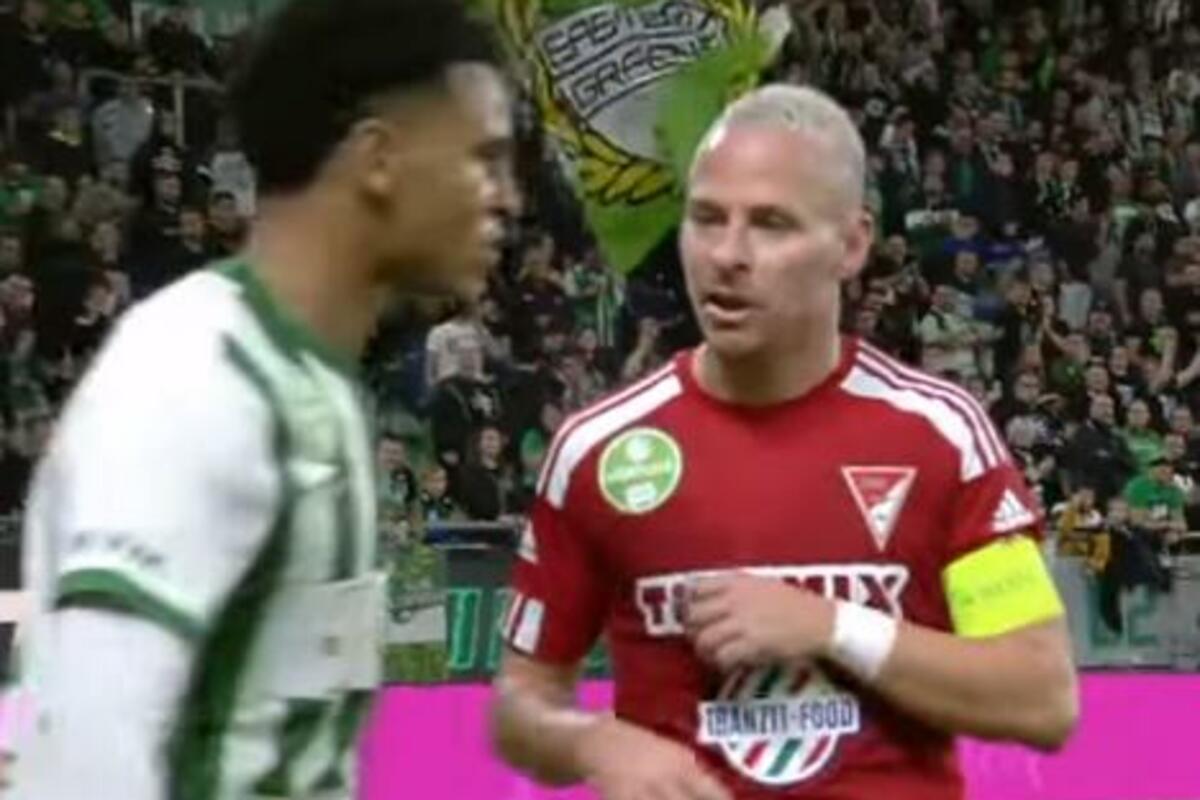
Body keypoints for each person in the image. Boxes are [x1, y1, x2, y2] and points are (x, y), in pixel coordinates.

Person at [490, 85, 1077, 800]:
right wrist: (593, 741)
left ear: (852, 244)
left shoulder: (940, 436)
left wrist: (833, 626)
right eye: (706, 218)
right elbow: (521, 704)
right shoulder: (599, 451)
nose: (727, 254)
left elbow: (1041, 696)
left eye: (771, 224)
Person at [3, 0, 517, 798]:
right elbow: (88, 754)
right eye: (483, 159)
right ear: (379, 158)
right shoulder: (194, 378)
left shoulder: (318, 390)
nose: (508, 197)